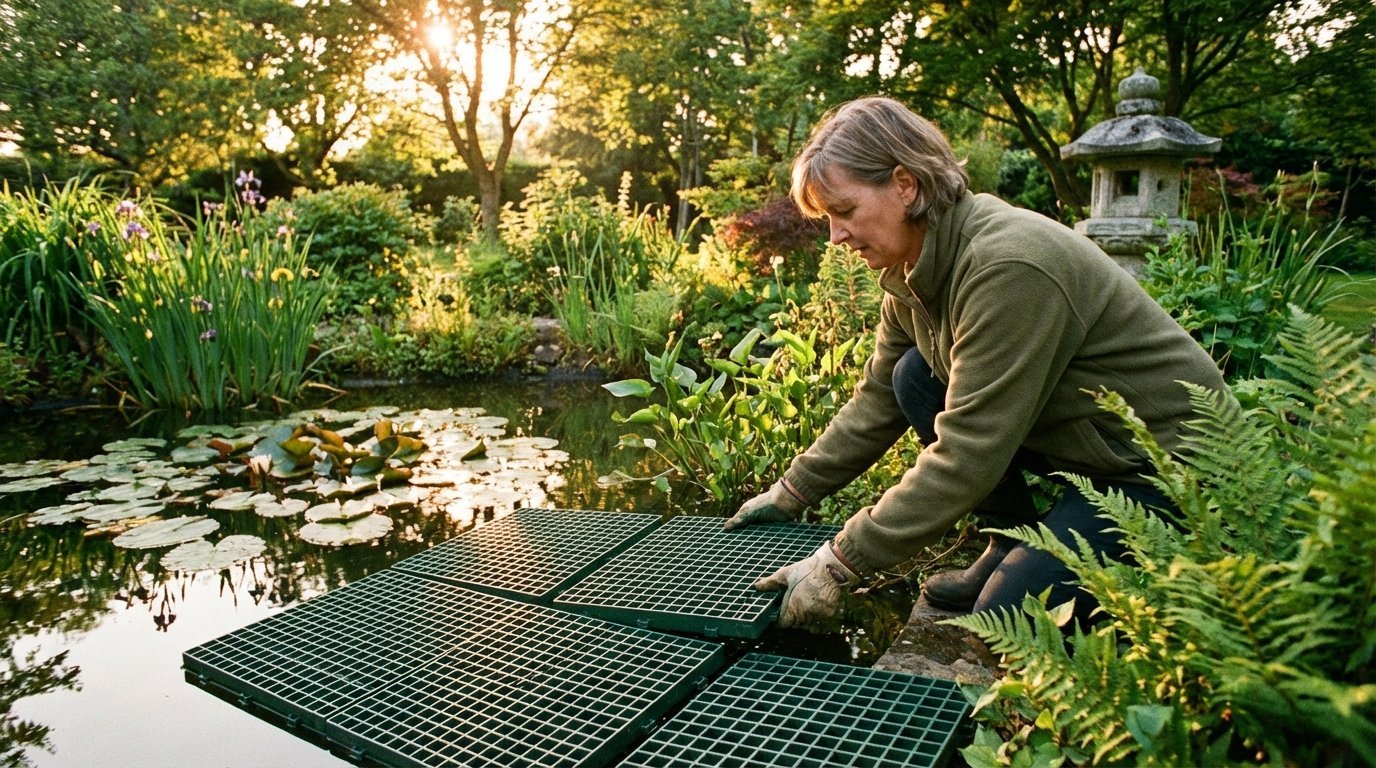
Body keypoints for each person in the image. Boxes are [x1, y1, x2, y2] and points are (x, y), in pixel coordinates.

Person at [724, 96, 1229, 629]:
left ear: (905, 184)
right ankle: (1005, 538)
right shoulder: (912, 273)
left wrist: (840, 561)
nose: (836, 236)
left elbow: (969, 450)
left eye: (845, 211)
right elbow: (875, 401)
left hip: (1161, 469)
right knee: (914, 376)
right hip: (1095, 446)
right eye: (827, 218)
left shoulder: (1009, 265)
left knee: (1013, 618)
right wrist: (792, 490)